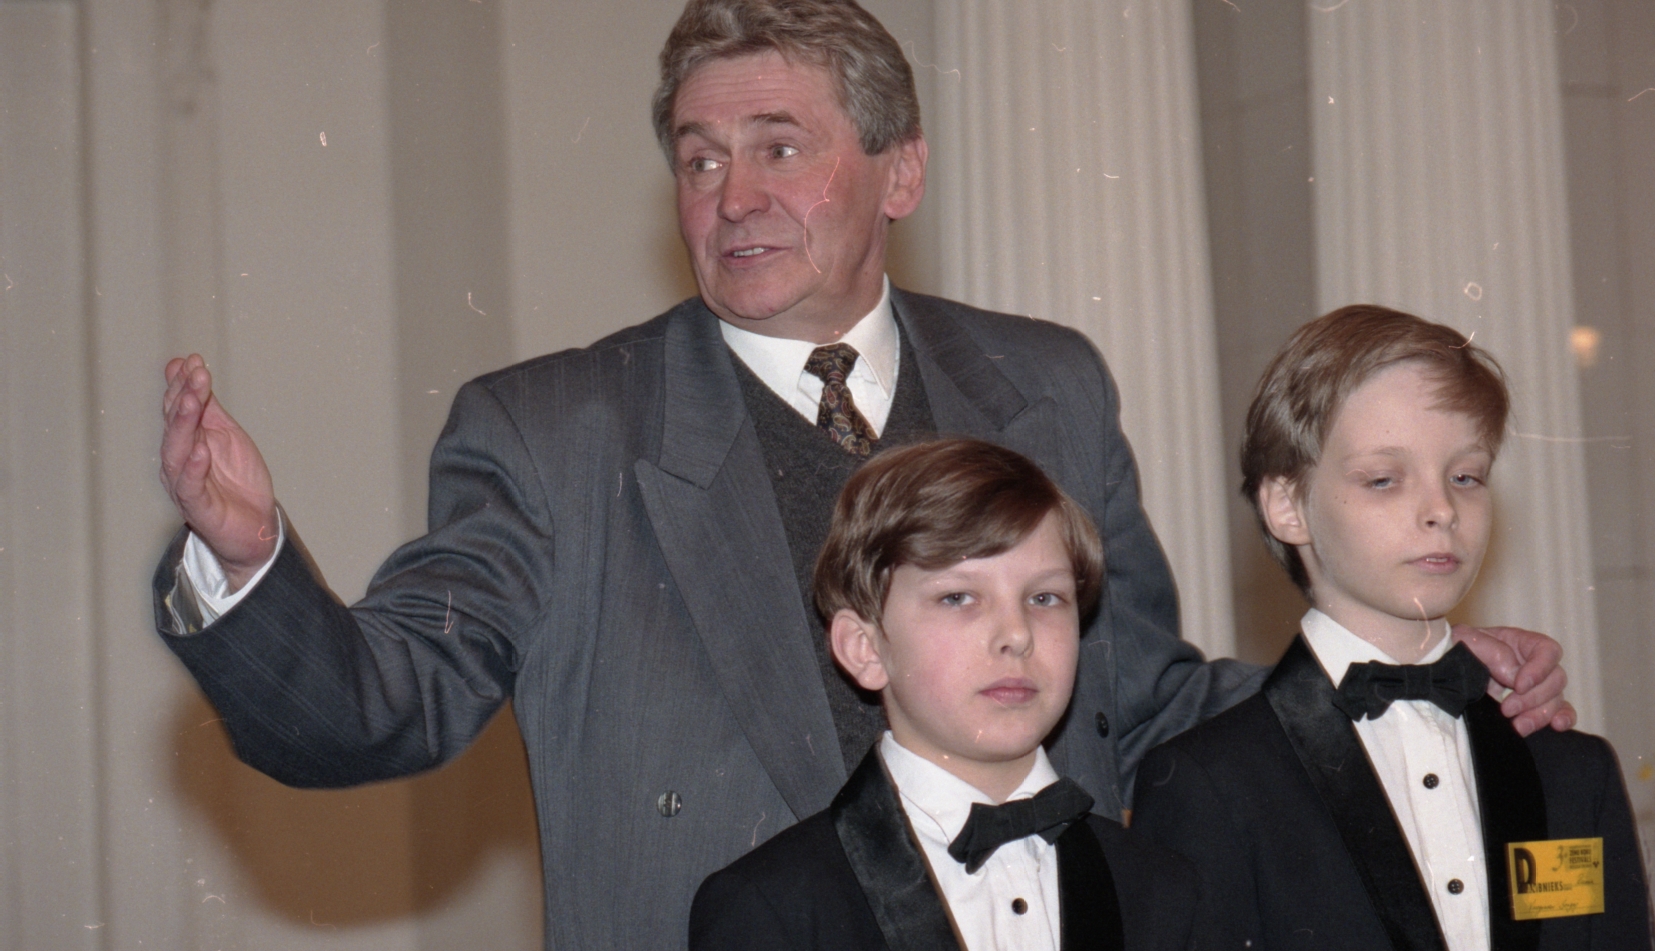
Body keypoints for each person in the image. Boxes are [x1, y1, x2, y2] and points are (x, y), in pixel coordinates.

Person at [153, 2, 1571, 947]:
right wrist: (248, 562)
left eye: (779, 148)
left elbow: (1141, 695)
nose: (732, 196)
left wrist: (1409, 671)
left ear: (898, 175)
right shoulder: (557, 431)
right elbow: (378, 703)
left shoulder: (1047, 385)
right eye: (699, 160)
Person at [1131, 305, 1651, 951]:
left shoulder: (1573, 770)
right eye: (1383, 479)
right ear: (1288, 506)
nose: (1441, 509)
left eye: (1465, 476)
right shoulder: (1208, 782)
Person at [690, 438, 1198, 951]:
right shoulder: (774, 907)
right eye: (958, 598)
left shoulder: (1159, 887)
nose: (1016, 634)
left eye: (1044, 598)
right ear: (866, 648)